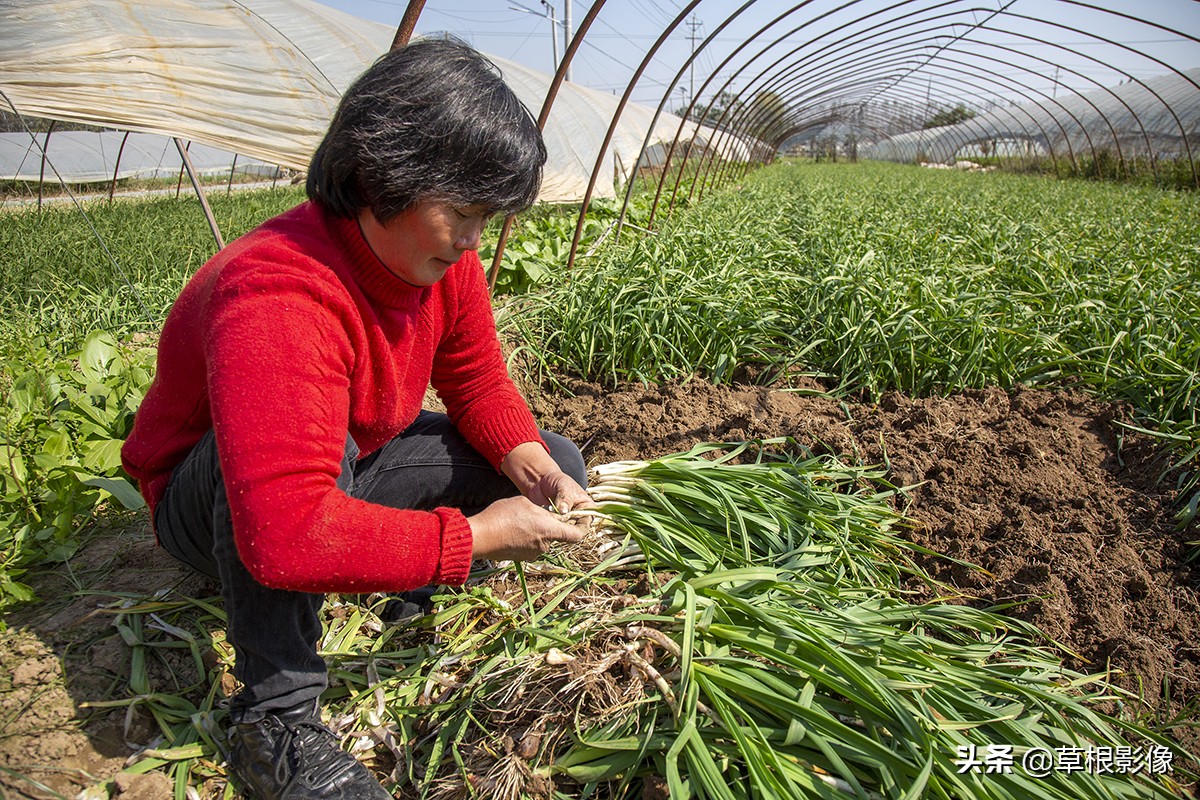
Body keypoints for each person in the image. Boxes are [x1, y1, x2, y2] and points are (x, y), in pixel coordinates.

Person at [121, 37, 592, 800]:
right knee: (312, 486)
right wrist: (477, 535)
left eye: (487, 217)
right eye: (463, 214)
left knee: (559, 465)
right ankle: (275, 725)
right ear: (382, 178)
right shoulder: (278, 289)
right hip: (214, 505)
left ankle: (384, 557)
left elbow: (474, 380)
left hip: (341, 463)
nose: (474, 240)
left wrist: (528, 464)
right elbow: (283, 532)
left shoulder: (444, 266)